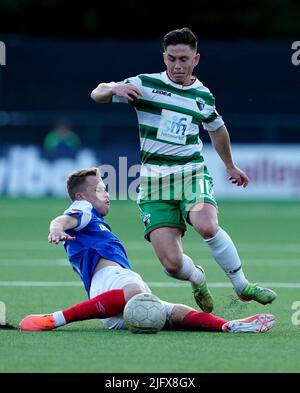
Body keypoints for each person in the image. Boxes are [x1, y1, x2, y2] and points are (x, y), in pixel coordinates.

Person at [89, 27, 277, 313]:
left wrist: (229, 164)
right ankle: (197, 277)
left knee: (206, 224)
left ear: (196, 59)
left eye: (184, 59)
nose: (177, 65)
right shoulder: (145, 84)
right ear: (164, 58)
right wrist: (113, 88)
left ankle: (241, 285)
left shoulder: (203, 96)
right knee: (172, 265)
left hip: (191, 173)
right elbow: (96, 93)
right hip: (154, 183)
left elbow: (217, 129)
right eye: (171, 59)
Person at [19, 167, 276, 334]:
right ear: (81, 196)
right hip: (111, 283)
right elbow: (63, 220)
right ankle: (56, 319)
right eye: (101, 189)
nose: (107, 194)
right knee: (135, 292)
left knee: (171, 312)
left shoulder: (92, 218)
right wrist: (55, 228)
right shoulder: (84, 209)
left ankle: (228, 326)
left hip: (110, 305)